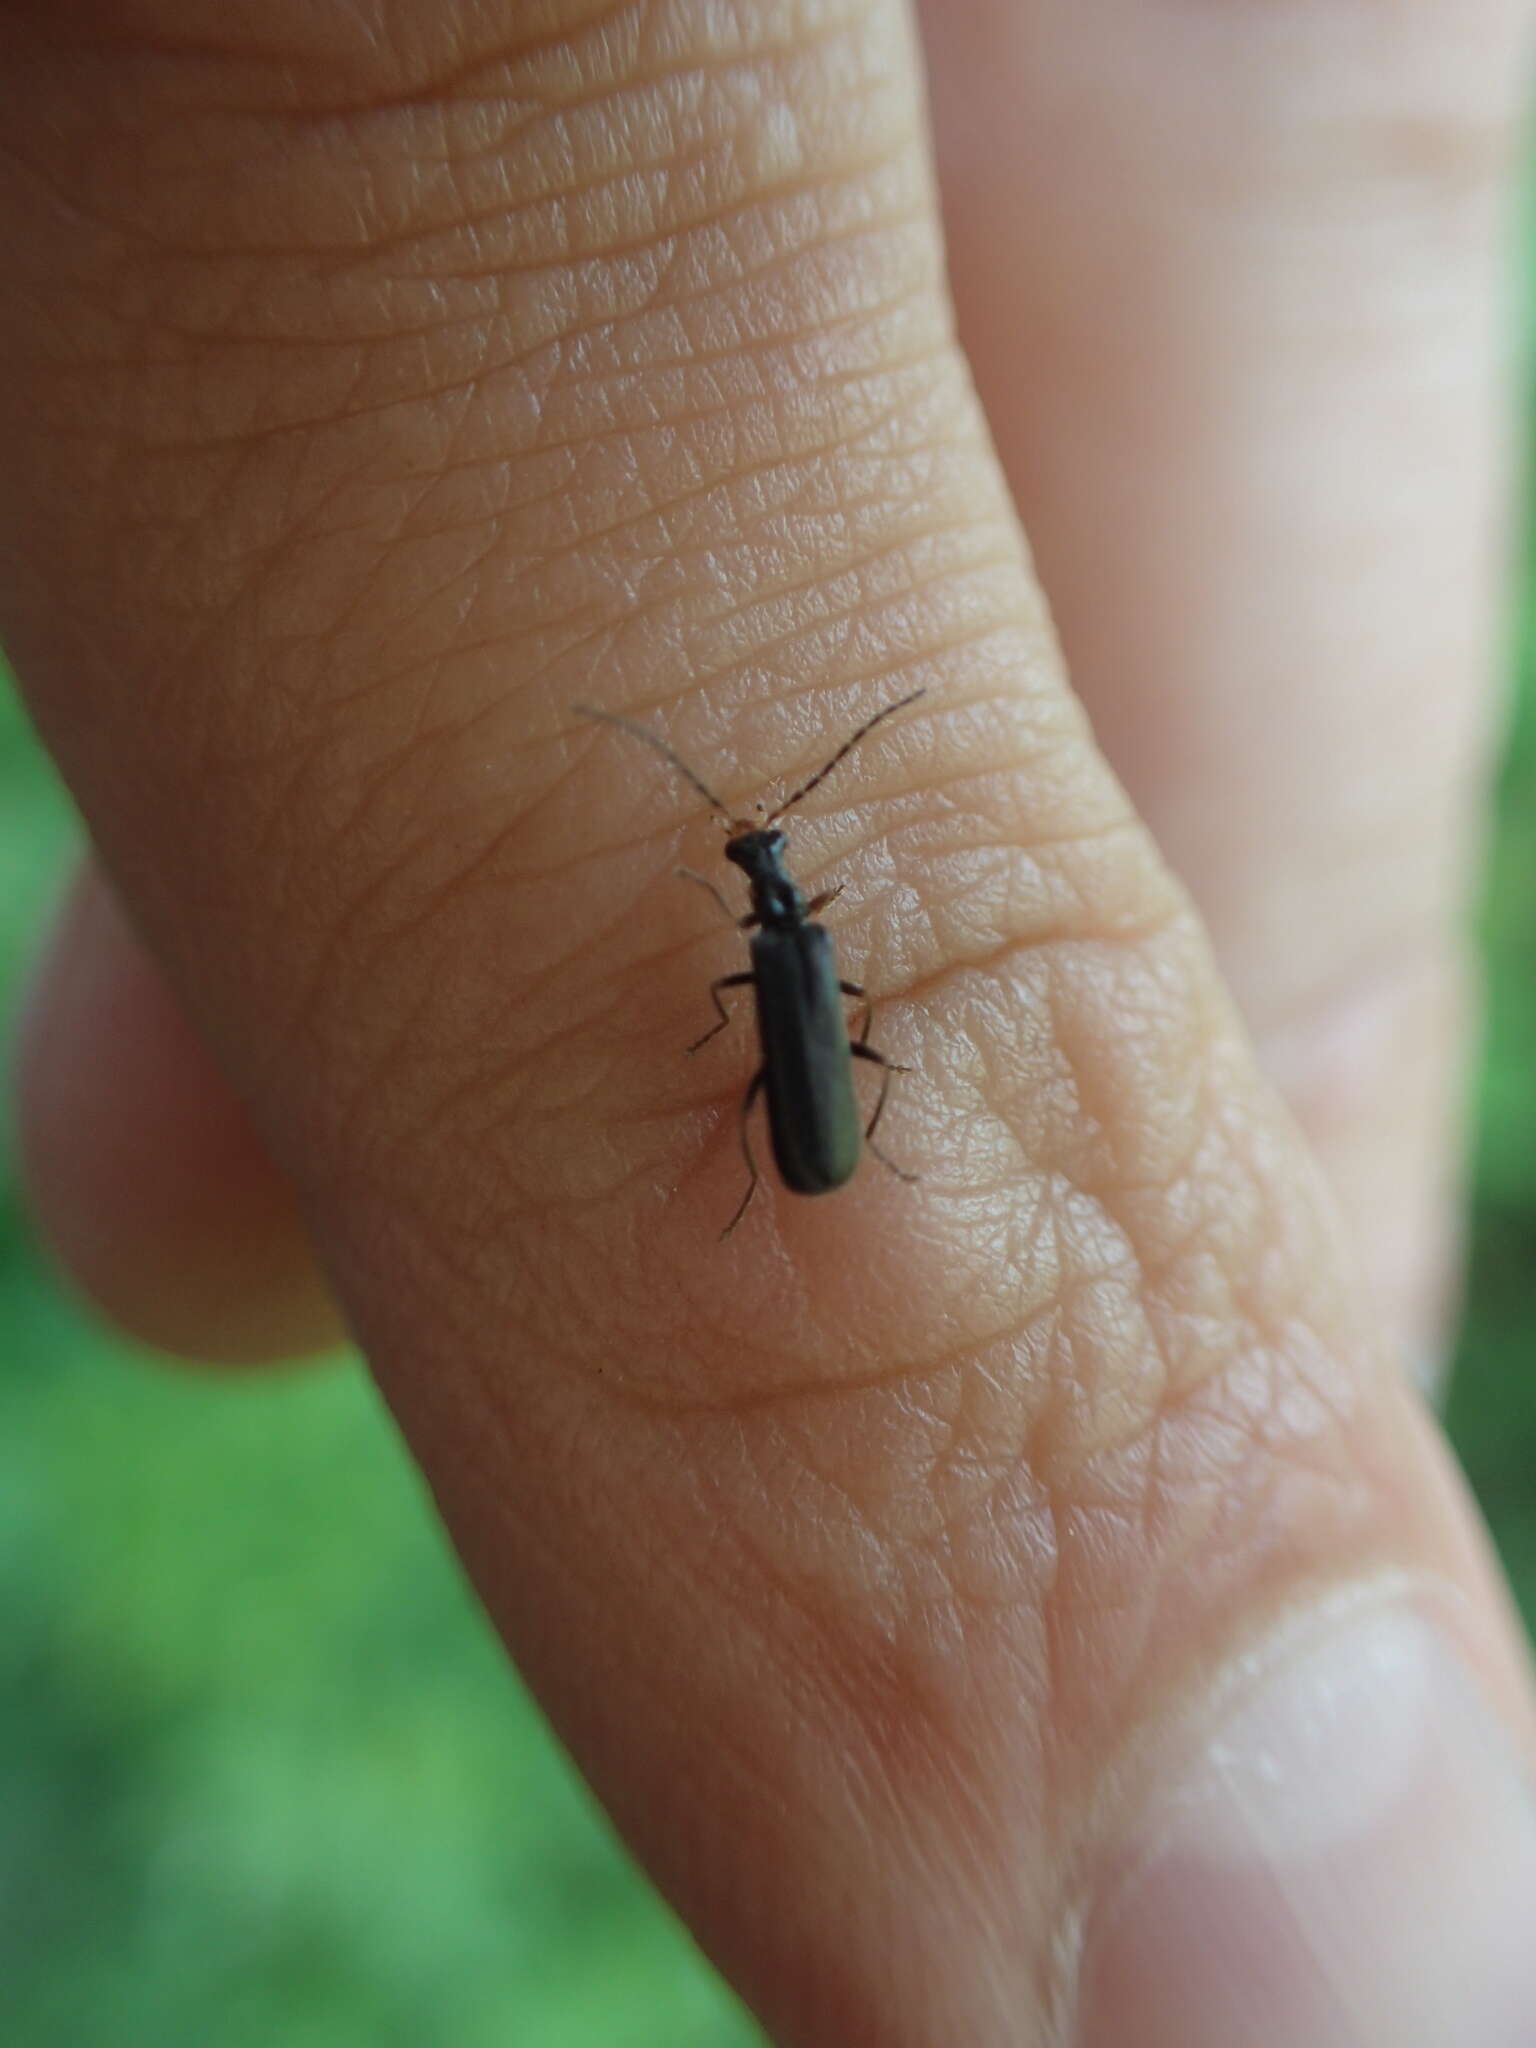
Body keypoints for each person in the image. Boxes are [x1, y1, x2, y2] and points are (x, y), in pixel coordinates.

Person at [4, 2, 1534, 2039]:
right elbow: (795, 1009)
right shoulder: (799, 945)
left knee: (751, 1092)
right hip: (818, 1086)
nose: (765, 893)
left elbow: (784, 1015)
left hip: (806, 1095)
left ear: (767, 900)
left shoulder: (785, 952)